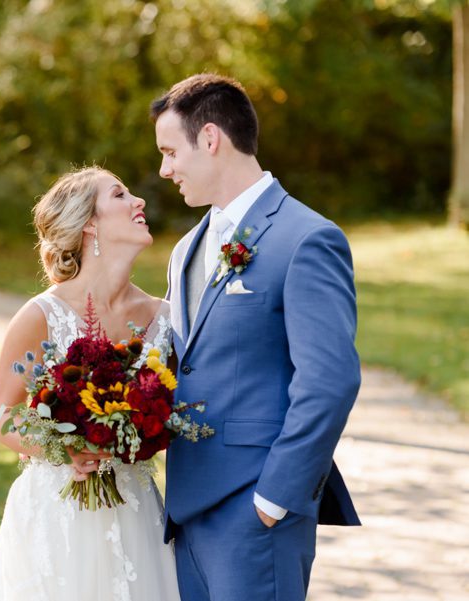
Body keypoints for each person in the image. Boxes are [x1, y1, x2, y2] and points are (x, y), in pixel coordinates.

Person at [152, 73, 362, 601]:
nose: (164, 169)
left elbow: (329, 381)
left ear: (210, 139)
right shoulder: (186, 251)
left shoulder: (307, 239)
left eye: (170, 151)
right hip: (186, 509)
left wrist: (273, 500)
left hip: (255, 511)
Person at [0, 166, 181, 601]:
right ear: (89, 223)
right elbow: (3, 418)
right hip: (58, 509)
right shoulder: (40, 316)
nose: (139, 202)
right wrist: (65, 446)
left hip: (135, 505)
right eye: (121, 195)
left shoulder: (167, 318)